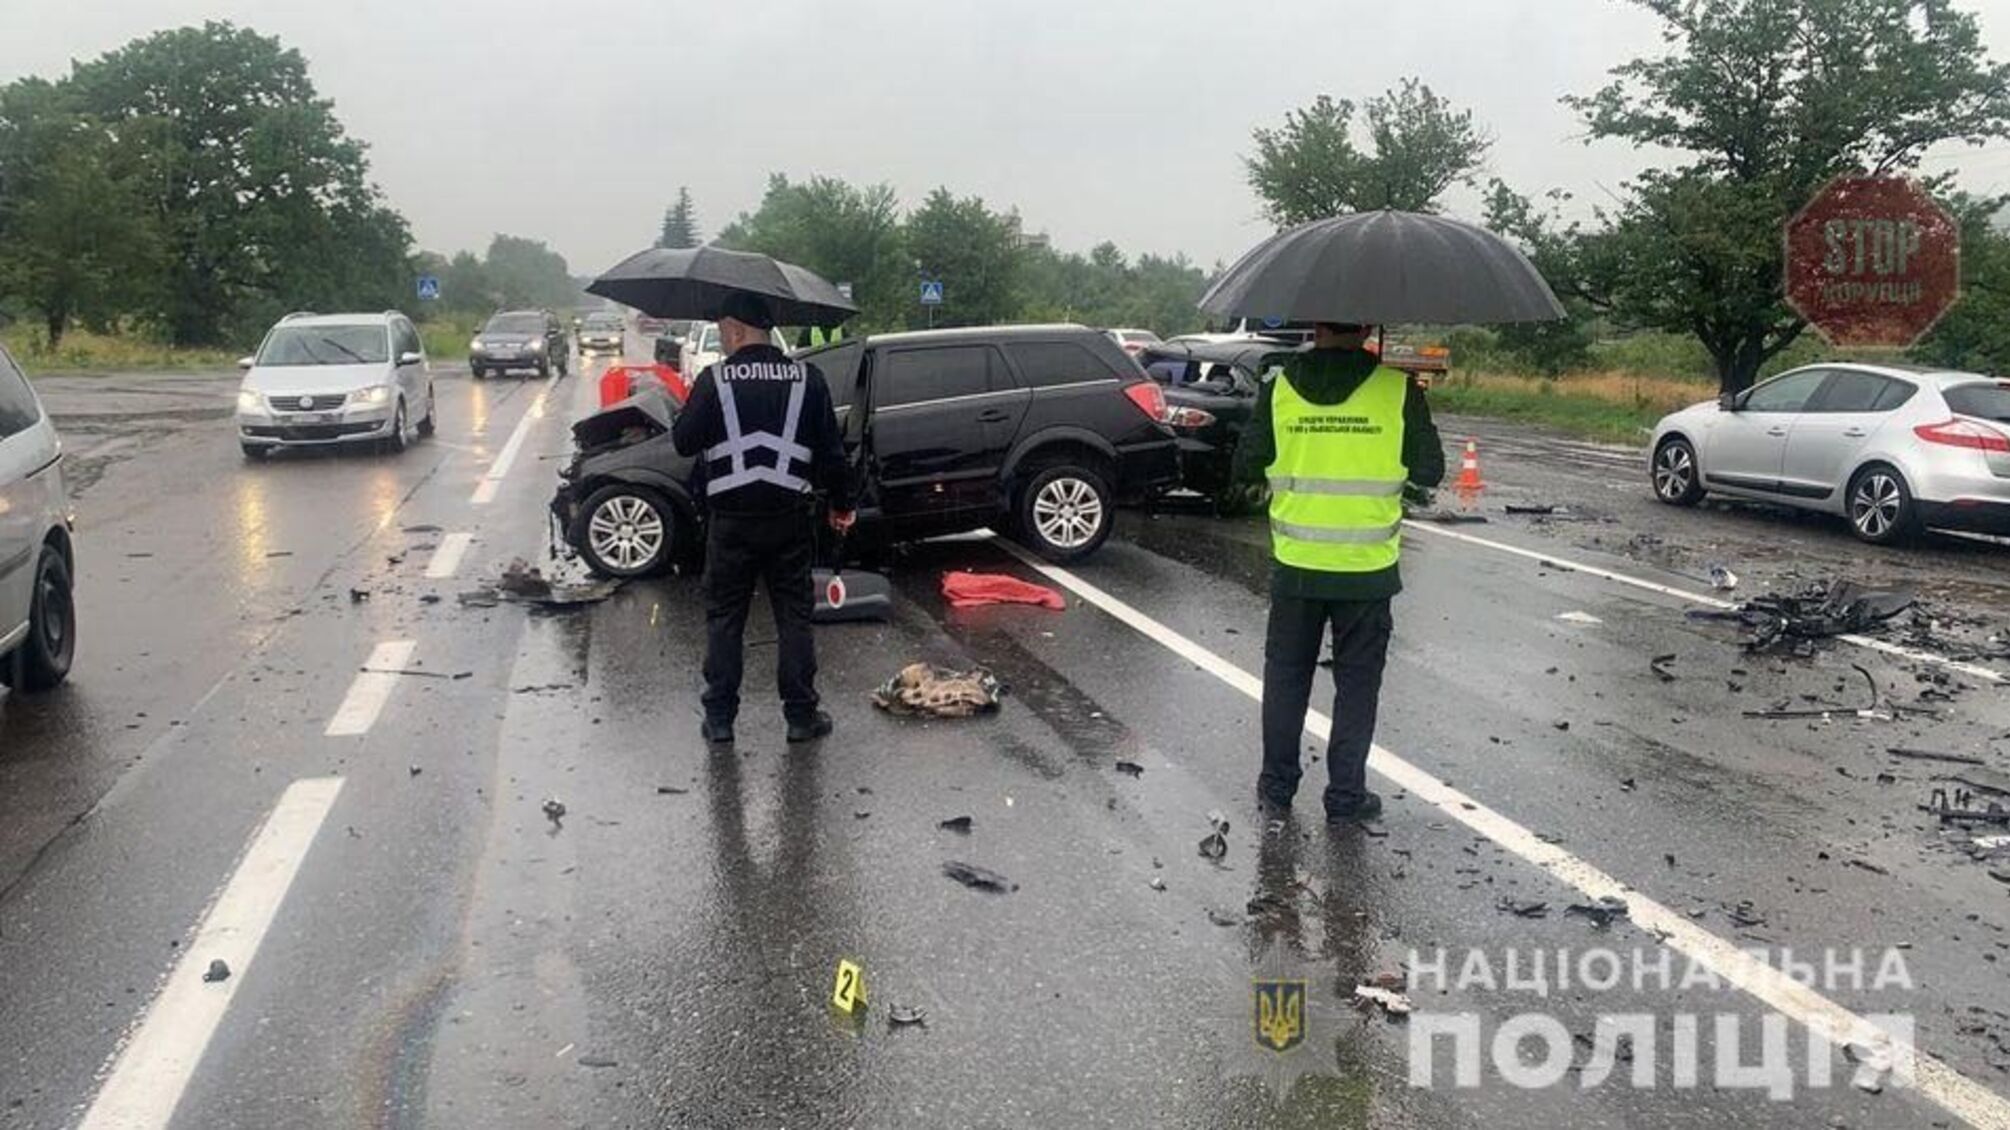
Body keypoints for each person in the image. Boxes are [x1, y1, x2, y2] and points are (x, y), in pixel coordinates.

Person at [1232, 323, 1444, 823]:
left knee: (1286, 679)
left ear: (1315, 324)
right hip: (1365, 570)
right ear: (1368, 326)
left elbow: (1246, 465)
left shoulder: (1280, 387)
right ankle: (1346, 795)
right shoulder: (1397, 390)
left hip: (1297, 568)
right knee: (1357, 685)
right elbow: (1430, 470)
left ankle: (1277, 787)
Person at [671, 292, 856, 746]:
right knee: (794, 618)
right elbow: (831, 454)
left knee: (725, 618)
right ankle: (800, 717)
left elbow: (683, 442)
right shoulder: (806, 378)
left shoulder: (715, 380)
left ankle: (719, 721)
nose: (722, 339)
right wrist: (842, 503)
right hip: (789, 519)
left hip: (730, 523)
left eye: (722, 331)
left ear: (735, 330)